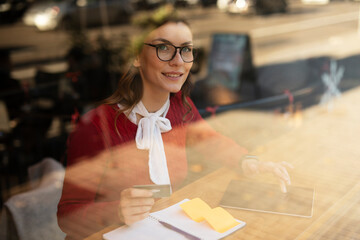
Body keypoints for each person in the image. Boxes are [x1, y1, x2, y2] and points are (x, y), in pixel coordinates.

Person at [57, 10, 293, 239]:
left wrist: (248, 162)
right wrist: (116, 211)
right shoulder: (96, 127)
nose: (178, 61)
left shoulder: (180, 106)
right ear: (137, 57)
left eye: (186, 50)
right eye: (164, 48)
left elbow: (211, 141)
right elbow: (67, 217)